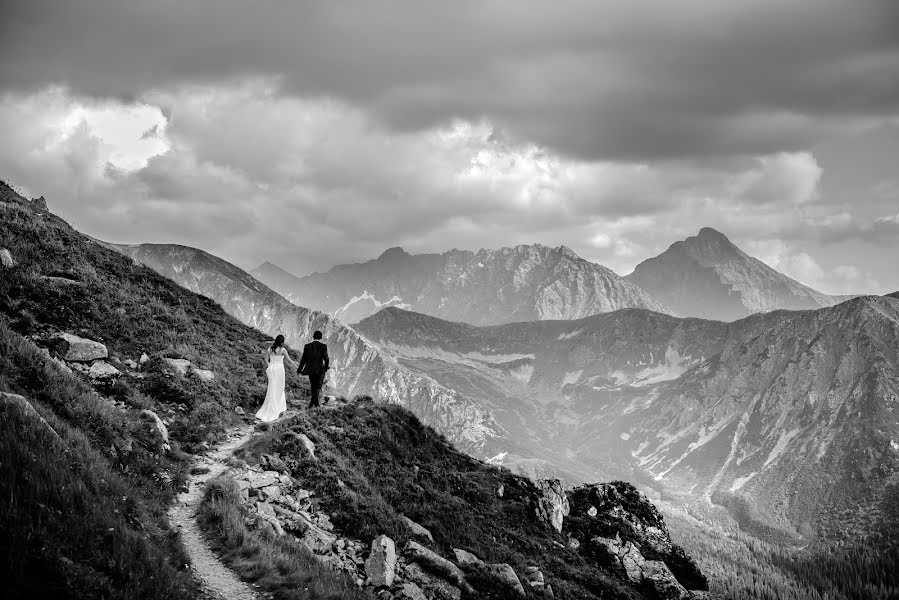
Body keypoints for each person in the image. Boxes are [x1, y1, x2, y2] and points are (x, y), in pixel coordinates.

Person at [255, 334, 297, 422]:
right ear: (282, 342)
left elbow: (266, 359)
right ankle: (278, 407)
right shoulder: (282, 350)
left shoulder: (270, 349)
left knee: (272, 388)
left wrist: (270, 366)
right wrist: (296, 367)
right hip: (279, 370)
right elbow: (289, 360)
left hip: (272, 369)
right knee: (280, 387)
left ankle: (271, 407)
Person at [298, 330, 329, 409]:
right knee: (318, 386)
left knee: (313, 385)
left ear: (313, 337)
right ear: (321, 337)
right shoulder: (323, 346)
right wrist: (325, 368)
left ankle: (313, 404)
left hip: (310, 369)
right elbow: (326, 359)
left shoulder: (307, 346)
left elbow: (303, 359)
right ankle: (316, 404)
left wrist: (299, 369)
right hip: (320, 369)